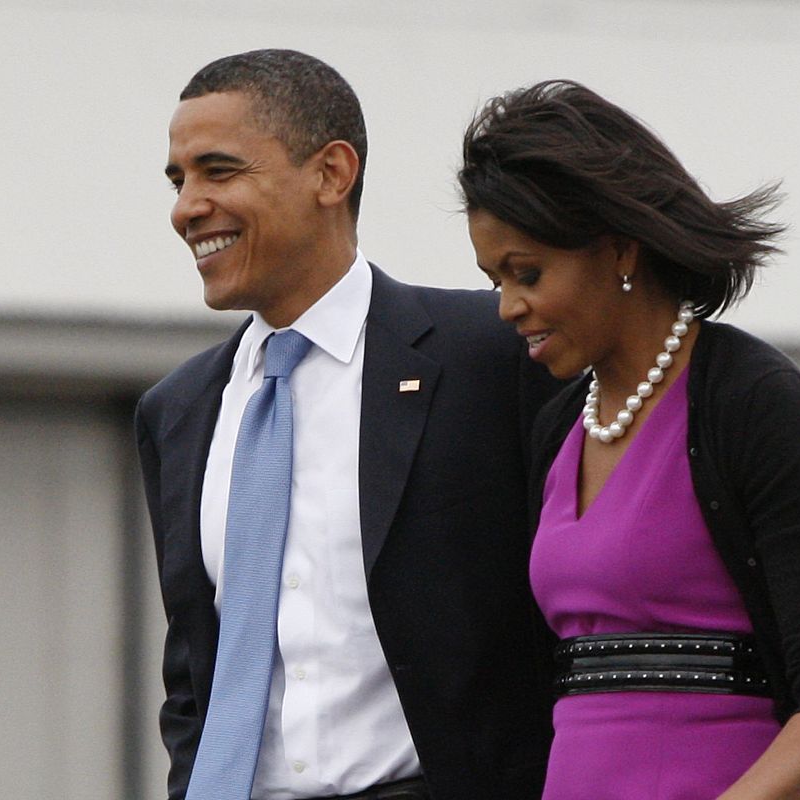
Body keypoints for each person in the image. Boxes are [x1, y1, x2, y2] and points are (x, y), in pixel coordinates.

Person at [135, 50, 561, 800]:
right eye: (179, 181)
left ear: (332, 173)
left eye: (219, 171)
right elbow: (194, 677)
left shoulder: (490, 356)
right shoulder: (177, 411)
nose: (185, 207)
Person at [458, 80, 800, 800]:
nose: (507, 307)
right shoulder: (559, 424)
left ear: (620, 250)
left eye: (526, 273)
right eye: (494, 279)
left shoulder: (754, 403)